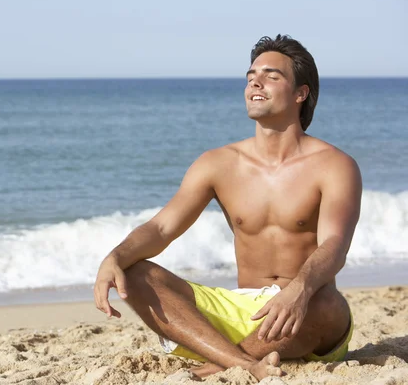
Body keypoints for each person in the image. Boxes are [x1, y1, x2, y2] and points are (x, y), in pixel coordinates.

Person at [93, 34, 362, 381]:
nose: (255, 81)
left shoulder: (335, 165)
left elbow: (335, 245)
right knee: (133, 271)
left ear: (301, 93)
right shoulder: (218, 163)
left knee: (329, 305)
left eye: (271, 75)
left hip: (302, 313)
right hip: (239, 313)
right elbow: (161, 229)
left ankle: (226, 360)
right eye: (251, 75)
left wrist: (299, 290)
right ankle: (246, 363)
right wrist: (114, 257)